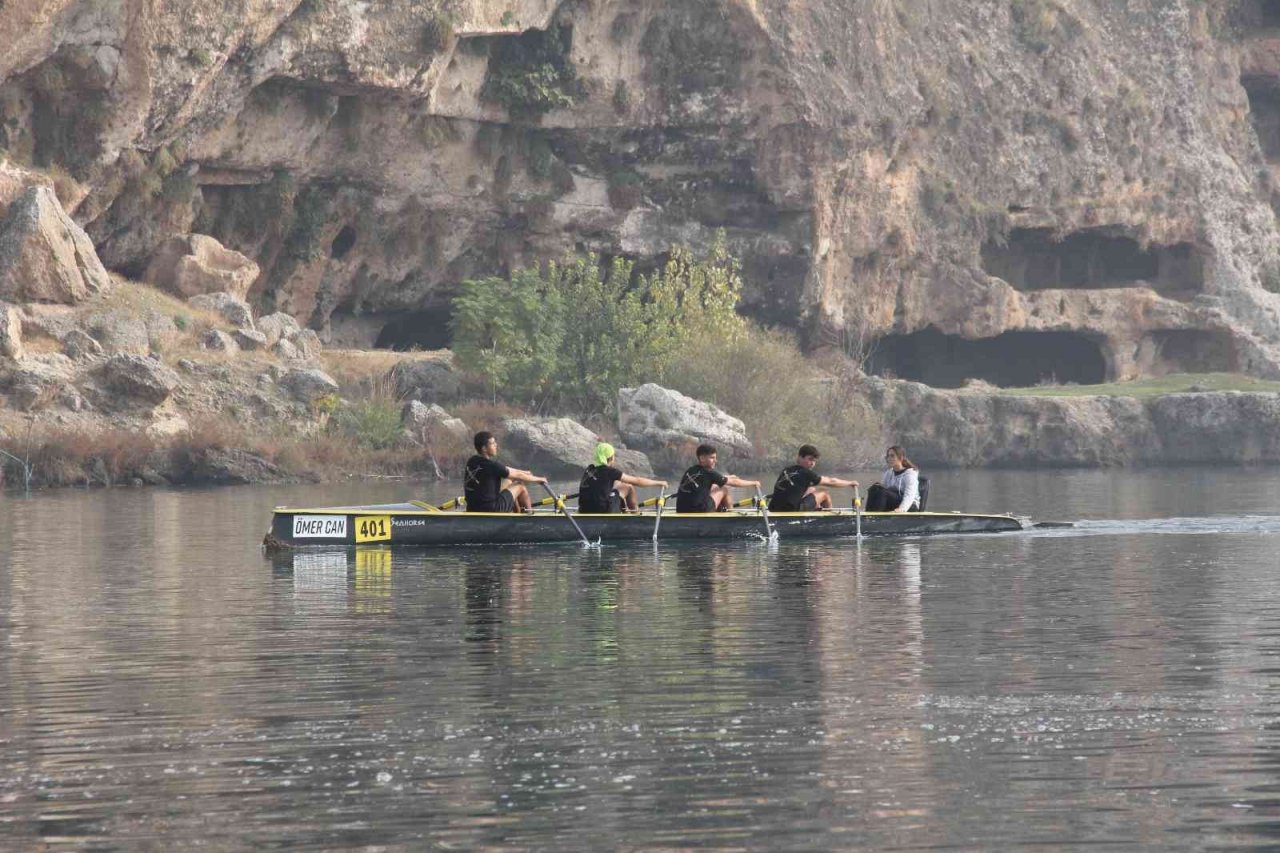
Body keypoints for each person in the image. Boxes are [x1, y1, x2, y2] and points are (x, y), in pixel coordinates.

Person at [464, 431, 547, 513]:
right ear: (484, 448)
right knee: (520, 485)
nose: (496, 445)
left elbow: (507, 469)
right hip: (492, 509)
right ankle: (529, 517)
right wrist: (539, 479)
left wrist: (524, 472)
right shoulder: (492, 466)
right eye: (492, 443)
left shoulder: (472, 461)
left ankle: (517, 514)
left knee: (508, 481)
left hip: (472, 508)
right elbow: (519, 476)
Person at [578, 442, 668, 513]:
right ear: (611, 458)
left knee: (618, 484)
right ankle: (636, 515)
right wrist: (659, 483)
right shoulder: (610, 471)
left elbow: (601, 485)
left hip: (583, 510)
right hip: (603, 510)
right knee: (628, 487)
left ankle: (623, 510)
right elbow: (637, 481)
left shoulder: (589, 469)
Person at [768, 444, 859, 511]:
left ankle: (816, 511)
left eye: (814, 461)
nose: (812, 463)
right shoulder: (807, 473)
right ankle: (828, 521)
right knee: (824, 493)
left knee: (812, 489)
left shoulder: (786, 470)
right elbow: (831, 481)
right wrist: (850, 483)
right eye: (810, 459)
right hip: (791, 510)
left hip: (773, 508)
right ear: (800, 457)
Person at [675, 443, 761, 513]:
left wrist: (728, 477)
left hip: (681, 510)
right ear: (702, 458)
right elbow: (735, 483)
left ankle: (720, 511)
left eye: (715, 458)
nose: (715, 461)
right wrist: (754, 483)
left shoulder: (691, 470)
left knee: (714, 486)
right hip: (700, 511)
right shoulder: (709, 472)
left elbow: (715, 479)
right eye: (712, 458)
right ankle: (731, 516)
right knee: (724, 489)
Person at [865, 445, 920, 512]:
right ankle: (867, 514)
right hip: (895, 503)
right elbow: (881, 490)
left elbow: (909, 495)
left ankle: (877, 516)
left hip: (910, 505)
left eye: (892, 456)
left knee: (883, 492)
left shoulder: (910, 474)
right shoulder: (889, 473)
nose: (889, 459)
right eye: (888, 456)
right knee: (875, 488)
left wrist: (901, 509)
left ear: (901, 458)